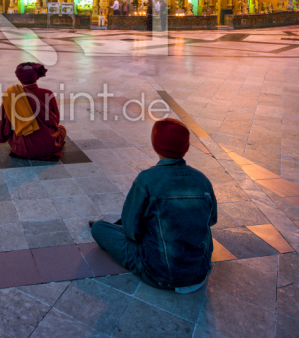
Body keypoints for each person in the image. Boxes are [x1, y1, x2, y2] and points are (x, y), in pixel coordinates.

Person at [90, 118, 217, 295]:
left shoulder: (147, 180)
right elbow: (211, 221)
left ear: (155, 145)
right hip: (198, 274)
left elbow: (130, 230)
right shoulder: (202, 180)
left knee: (99, 228)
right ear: (186, 147)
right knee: (200, 227)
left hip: (157, 274)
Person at [0, 62, 67, 161]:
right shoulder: (47, 93)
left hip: (21, 149)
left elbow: (5, 124)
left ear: (19, 77)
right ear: (36, 77)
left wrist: (3, 138)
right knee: (61, 129)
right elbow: (56, 121)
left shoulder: (11, 95)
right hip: (47, 148)